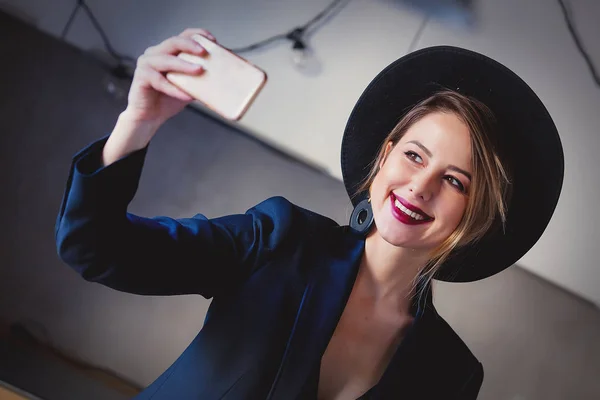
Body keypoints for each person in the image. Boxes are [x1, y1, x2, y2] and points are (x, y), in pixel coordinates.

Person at [54, 28, 564, 399]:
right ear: (385, 155)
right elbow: (95, 248)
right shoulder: (281, 238)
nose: (420, 185)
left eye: (455, 181)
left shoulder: (450, 376)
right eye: (413, 155)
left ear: (473, 213)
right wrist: (137, 122)